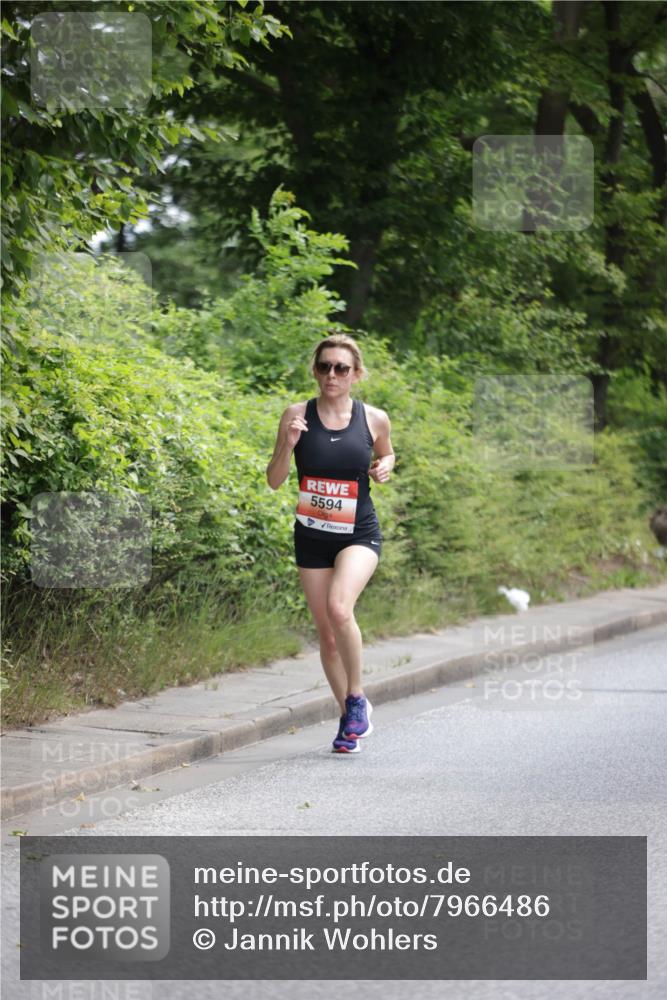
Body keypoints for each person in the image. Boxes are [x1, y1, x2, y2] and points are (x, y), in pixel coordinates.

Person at [266, 332, 395, 753]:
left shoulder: (373, 418)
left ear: (356, 374)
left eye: (341, 368)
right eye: (324, 367)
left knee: (340, 608)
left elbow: (388, 452)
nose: (332, 375)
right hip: (313, 536)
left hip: (358, 533)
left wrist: (385, 466)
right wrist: (288, 444)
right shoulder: (296, 414)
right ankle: (347, 720)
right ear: (315, 371)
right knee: (326, 634)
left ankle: (357, 697)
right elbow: (274, 479)